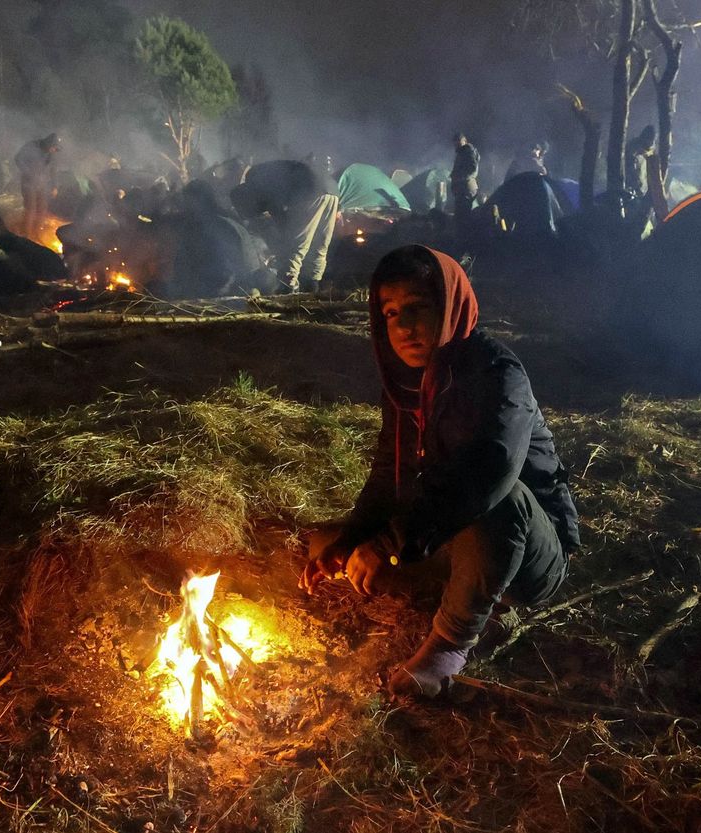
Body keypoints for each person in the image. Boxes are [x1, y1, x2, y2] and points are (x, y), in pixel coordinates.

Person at [299, 245, 580, 698]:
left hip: (526, 553)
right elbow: (390, 473)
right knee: (325, 544)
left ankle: (450, 645)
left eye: (418, 308)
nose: (405, 327)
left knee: (496, 497)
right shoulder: (407, 383)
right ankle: (459, 589)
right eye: (391, 313)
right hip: (448, 538)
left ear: (449, 304)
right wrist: (353, 540)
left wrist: (389, 543)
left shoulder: (496, 372)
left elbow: (491, 472)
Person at [229, 159, 339, 292]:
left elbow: (277, 211)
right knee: (319, 245)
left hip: (308, 190)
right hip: (330, 189)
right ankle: (312, 286)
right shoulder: (257, 176)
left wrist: (284, 235)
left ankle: (287, 288)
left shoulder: (255, 182)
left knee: (295, 246)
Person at [15, 133, 61, 240]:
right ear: (48, 144)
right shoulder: (31, 146)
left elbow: (53, 169)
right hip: (29, 183)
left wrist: (55, 186)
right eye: (54, 148)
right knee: (30, 208)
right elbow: (18, 158)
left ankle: (37, 233)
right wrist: (28, 173)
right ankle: (26, 235)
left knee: (42, 208)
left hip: (42, 184)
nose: (54, 151)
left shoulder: (51, 153)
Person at [449, 133, 480, 237]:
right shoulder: (461, 152)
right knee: (460, 216)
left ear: (464, 141)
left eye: (459, 141)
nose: (456, 144)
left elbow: (473, 169)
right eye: (455, 142)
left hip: (466, 188)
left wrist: (461, 178)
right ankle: (462, 238)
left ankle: (465, 239)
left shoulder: (468, 151)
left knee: (463, 216)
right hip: (462, 189)